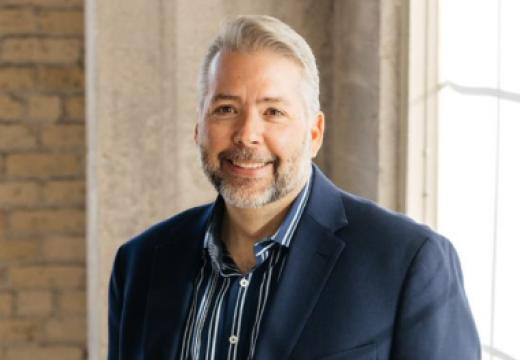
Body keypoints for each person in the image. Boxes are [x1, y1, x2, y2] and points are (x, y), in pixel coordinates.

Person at [108, 15, 480, 360]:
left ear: (314, 133)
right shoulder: (141, 263)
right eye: (225, 109)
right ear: (198, 128)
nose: (247, 135)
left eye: (273, 112)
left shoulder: (408, 262)